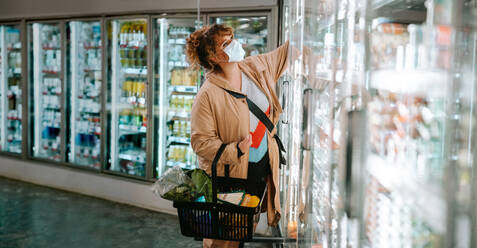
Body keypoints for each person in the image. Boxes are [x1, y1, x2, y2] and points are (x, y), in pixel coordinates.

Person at [186, 24, 290, 248]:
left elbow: (286, 54)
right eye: (225, 44)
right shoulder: (207, 95)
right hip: (230, 180)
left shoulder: (254, 68)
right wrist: (236, 150)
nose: (234, 44)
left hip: (258, 174)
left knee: (242, 233)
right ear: (213, 57)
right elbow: (200, 143)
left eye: (232, 38)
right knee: (223, 241)